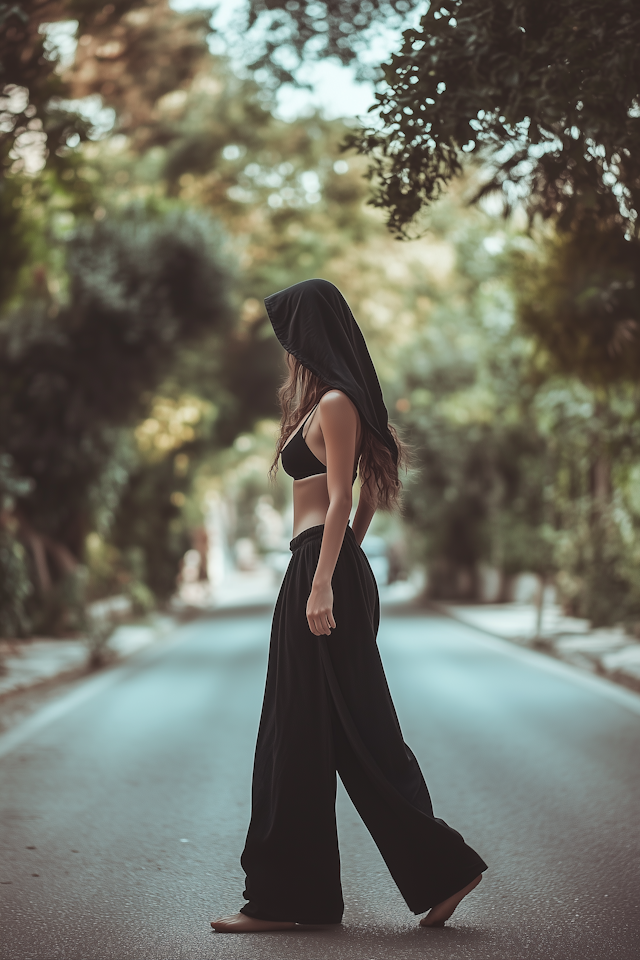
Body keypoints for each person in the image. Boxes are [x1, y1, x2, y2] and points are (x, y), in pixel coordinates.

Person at [211, 279, 487, 933]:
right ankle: (330, 894)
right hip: (321, 564)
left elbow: (341, 499)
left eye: (288, 336)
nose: (285, 351)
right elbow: (362, 502)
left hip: (318, 567)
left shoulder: (335, 403)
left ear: (309, 334)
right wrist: (344, 565)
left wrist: (326, 579)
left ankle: (298, 901)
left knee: (314, 733)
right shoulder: (332, 404)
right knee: (318, 734)